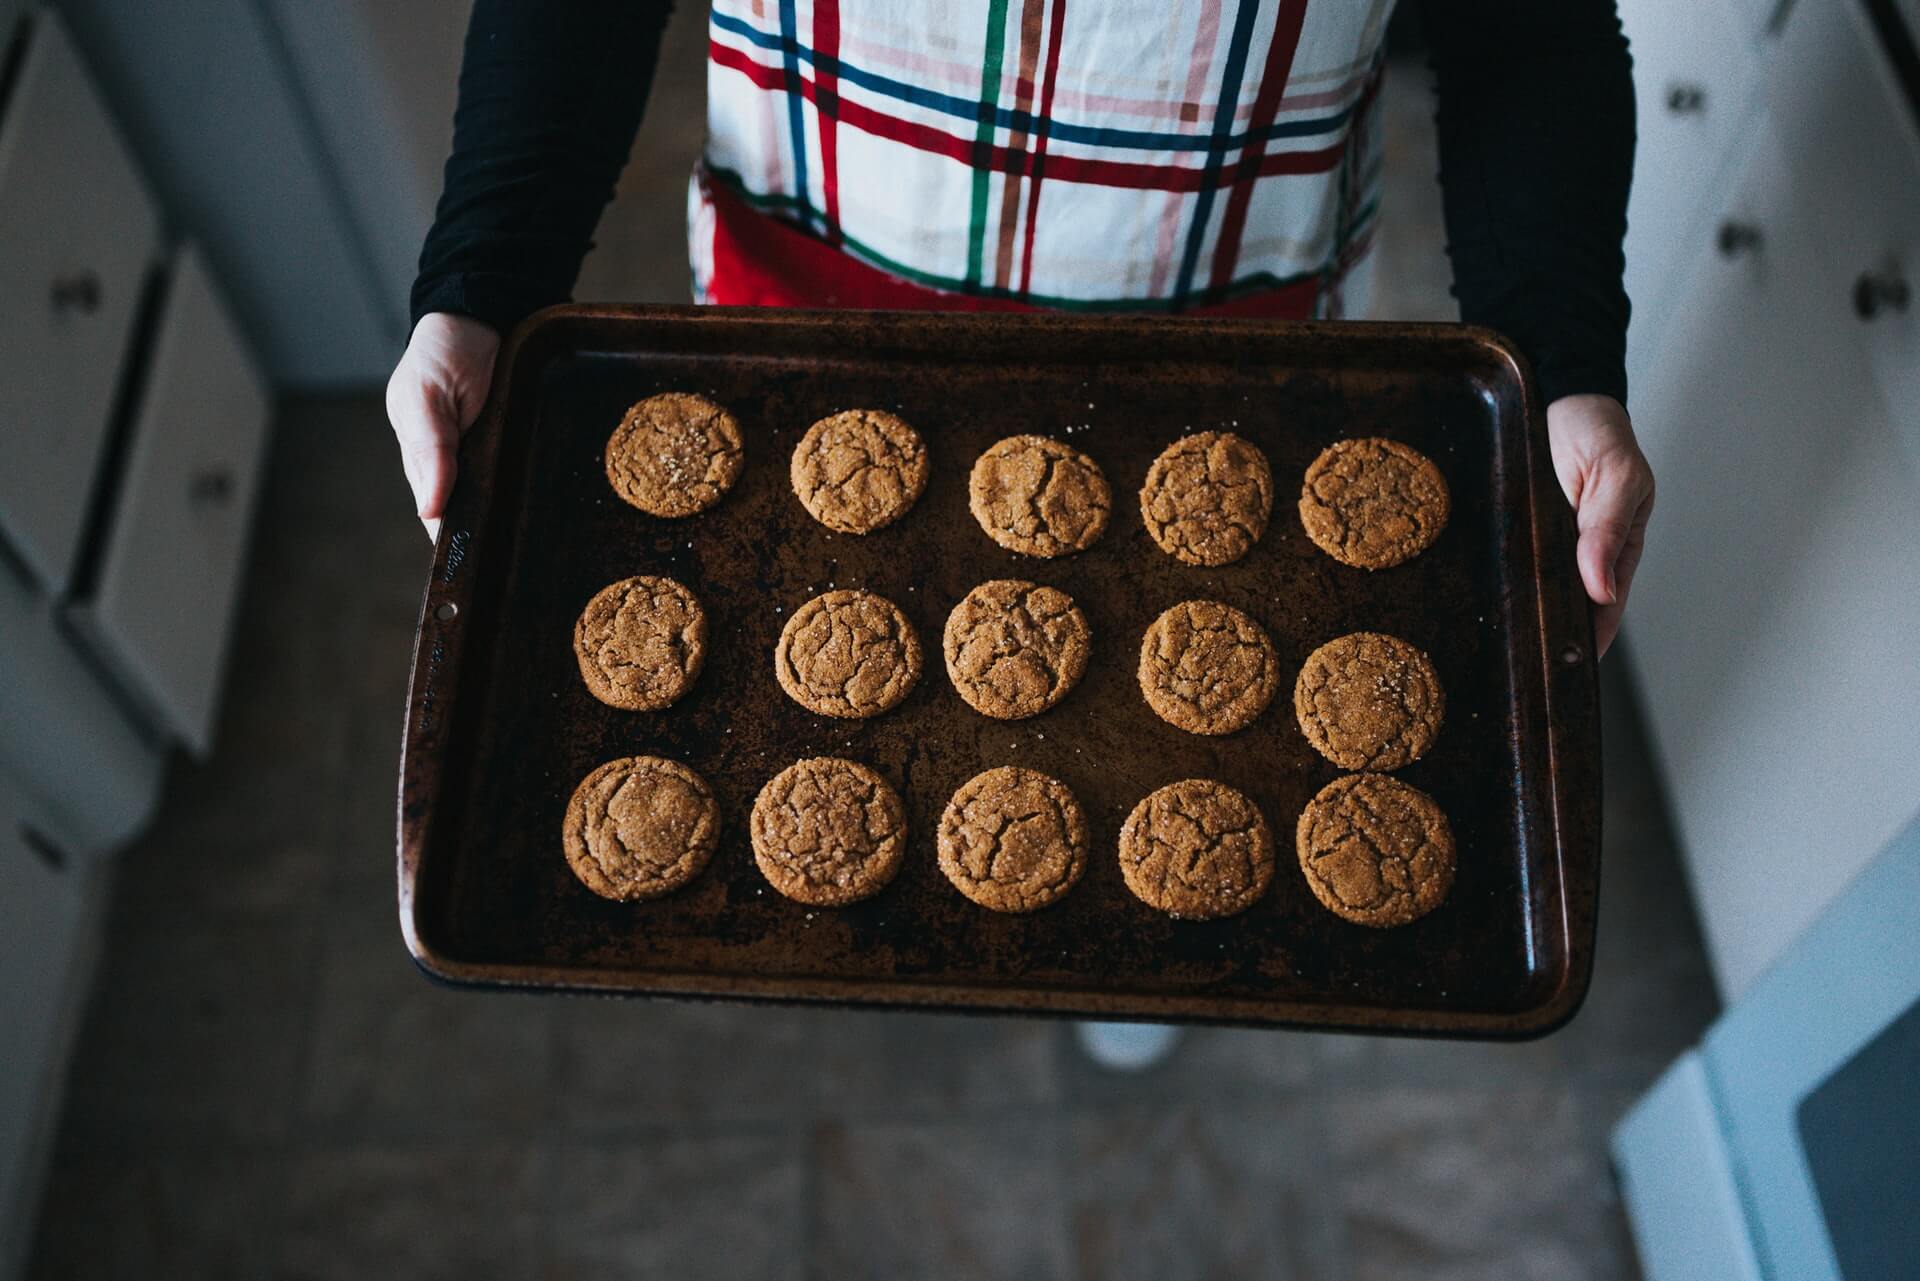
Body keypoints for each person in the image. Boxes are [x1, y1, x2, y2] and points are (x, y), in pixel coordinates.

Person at [388, 0, 1654, 1067]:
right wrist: (486, 278)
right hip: (812, 310)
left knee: (1149, 855)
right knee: (819, 616)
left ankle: (1134, 978)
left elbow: (1530, 26)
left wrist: (1560, 354)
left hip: (1232, 351)